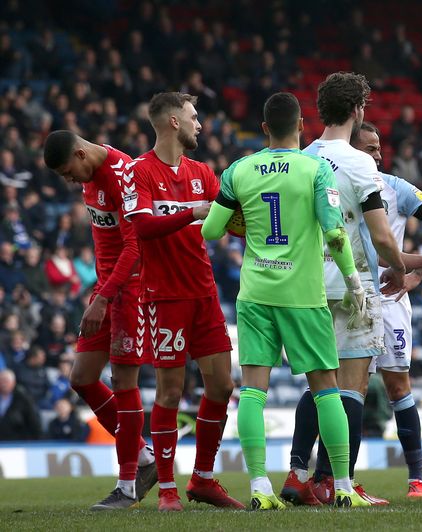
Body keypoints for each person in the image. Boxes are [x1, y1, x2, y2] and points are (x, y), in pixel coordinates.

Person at [202, 92, 371, 509]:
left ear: (264, 129)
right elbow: (334, 233)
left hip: (256, 293)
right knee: (326, 391)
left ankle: (259, 487)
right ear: (301, 127)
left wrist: (241, 216)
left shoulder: (238, 170)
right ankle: (345, 488)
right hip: (303, 295)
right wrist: (354, 281)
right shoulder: (315, 170)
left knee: (253, 392)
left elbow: (211, 231)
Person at [282, 72, 407, 507]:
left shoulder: (300, 156)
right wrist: (402, 269)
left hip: (307, 287)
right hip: (354, 285)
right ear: (358, 111)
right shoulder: (359, 163)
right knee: (351, 389)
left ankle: (299, 475)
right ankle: (339, 484)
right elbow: (382, 236)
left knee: (319, 384)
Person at [121, 92, 242, 511]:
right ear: (173, 121)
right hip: (165, 296)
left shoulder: (202, 172)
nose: (200, 124)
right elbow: (143, 229)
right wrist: (194, 212)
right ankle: (168, 489)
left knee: (223, 386)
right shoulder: (139, 172)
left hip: (204, 292)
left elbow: (224, 223)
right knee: (171, 391)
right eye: (194, 117)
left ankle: (203, 479)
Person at [42, 130, 157, 510]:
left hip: (129, 290)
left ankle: (126, 487)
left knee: (124, 382)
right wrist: (101, 293)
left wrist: (104, 297)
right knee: (82, 379)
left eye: (67, 172)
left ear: (80, 153)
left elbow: (134, 248)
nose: (70, 180)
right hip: (106, 291)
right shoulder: (91, 175)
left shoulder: (122, 174)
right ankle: (143, 457)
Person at [353, 121, 422, 498]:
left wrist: (418, 273)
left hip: (390, 301)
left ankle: (417, 478)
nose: (377, 154)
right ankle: (343, 479)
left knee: (397, 386)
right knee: (349, 389)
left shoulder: (396, 187)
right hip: (349, 296)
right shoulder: (333, 183)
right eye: (369, 147)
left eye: (378, 147)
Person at [0, 369, 41, 440]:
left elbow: (33, 422)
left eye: (6, 381)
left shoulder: (23, 398)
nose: (4, 383)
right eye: (1, 380)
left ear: (13, 382)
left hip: (17, 443)